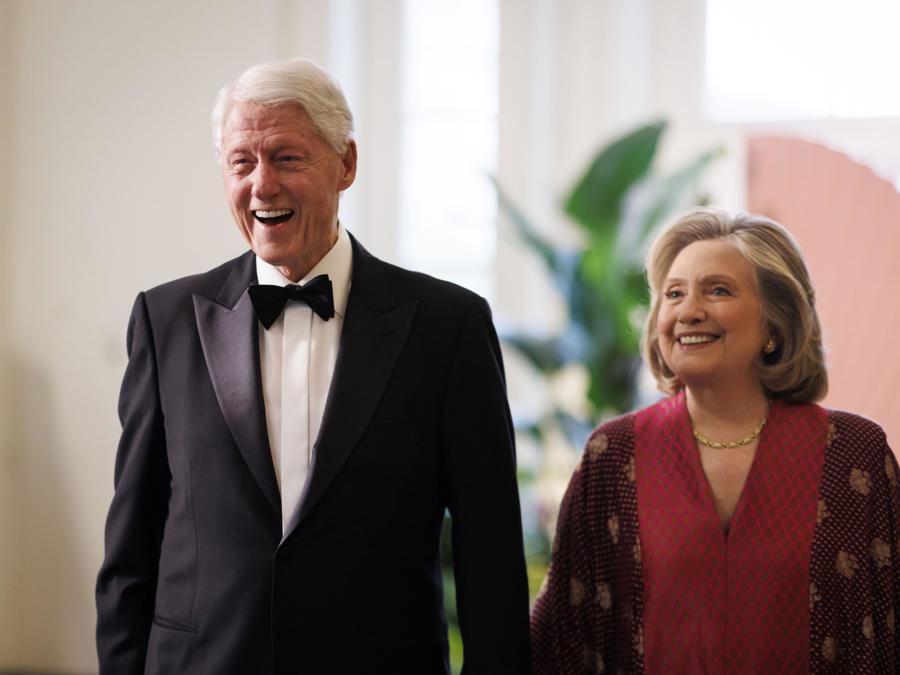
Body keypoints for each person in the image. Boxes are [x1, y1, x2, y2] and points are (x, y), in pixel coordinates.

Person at [95, 58, 531, 675]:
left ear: (346, 163)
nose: (262, 185)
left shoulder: (448, 326)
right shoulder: (164, 321)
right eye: (241, 162)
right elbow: (130, 548)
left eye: (286, 158)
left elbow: (491, 553)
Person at [531, 208, 899, 674]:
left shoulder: (853, 455)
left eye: (718, 290)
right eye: (674, 294)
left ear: (775, 322)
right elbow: (560, 638)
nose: (688, 312)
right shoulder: (613, 455)